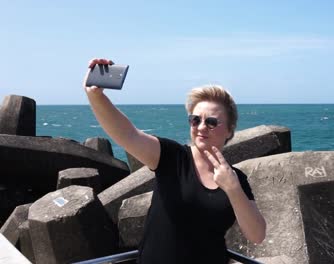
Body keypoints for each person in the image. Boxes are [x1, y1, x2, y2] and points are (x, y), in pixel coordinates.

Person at [83, 58, 266, 264]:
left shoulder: (236, 179)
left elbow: (257, 234)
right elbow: (128, 135)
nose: (201, 126)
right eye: (195, 119)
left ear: (230, 129)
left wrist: (233, 189)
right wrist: (96, 97)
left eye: (211, 122)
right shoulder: (172, 157)